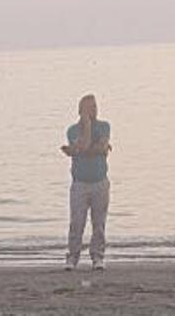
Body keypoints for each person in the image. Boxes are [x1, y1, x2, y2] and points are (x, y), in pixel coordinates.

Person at [60, 94, 112, 271]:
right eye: (90, 107)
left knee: (99, 223)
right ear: (81, 110)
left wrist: (77, 151)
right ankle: (72, 257)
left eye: (95, 107)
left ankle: (98, 256)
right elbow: (84, 145)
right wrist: (87, 128)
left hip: (100, 182)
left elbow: (98, 146)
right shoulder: (73, 130)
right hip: (80, 184)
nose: (94, 110)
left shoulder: (104, 126)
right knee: (77, 222)